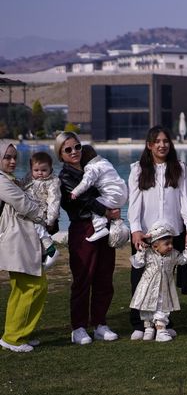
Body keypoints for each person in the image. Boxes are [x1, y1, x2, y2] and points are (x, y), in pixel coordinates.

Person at [127, 126, 187, 339]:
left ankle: (163, 321)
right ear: (149, 145)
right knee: (140, 278)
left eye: (165, 141)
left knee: (166, 278)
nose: (162, 145)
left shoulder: (180, 168)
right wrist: (135, 230)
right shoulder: (138, 169)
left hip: (172, 232)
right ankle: (140, 323)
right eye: (157, 141)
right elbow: (134, 203)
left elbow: (186, 200)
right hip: (146, 234)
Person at [56, 132, 121, 345]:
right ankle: (79, 327)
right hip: (83, 230)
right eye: (68, 149)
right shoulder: (64, 178)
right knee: (83, 279)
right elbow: (83, 200)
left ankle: (100, 323)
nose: (74, 152)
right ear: (60, 154)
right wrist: (107, 212)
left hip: (102, 228)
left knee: (104, 277)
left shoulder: (91, 168)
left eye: (77, 147)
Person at [0, 140, 49, 353]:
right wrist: (43, 215)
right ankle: (14, 337)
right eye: (7, 157)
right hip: (15, 240)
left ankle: (16, 334)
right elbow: (23, 203)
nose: (12, 161)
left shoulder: (9, 180)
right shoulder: (2, 181)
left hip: (19, 239)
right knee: (34, 286)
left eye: (14, 157)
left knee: (22, 288)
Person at [129, 221, 187, 342]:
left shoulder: (173, 254)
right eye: (167, 244)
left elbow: (182, 260)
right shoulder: (148, 254)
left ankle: (161, 329)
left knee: (162, 306)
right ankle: (148, 328)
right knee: (147, 307)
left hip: (164, 287)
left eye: (171, 243)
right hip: (148, 287)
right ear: (155, 246)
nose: (170, 246)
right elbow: (138, 264)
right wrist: (140, 252)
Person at [70, 145, 130, 243]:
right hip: (123, 194)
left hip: (112, 196)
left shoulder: (91, 167)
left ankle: (100, 227)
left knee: (95, 204)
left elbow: (86, 182)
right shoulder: (105, 162)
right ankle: (117, 226)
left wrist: (75, 191)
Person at [22, 152, 61, 261]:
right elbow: (22, 187)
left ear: (50, 168)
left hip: (43, 212)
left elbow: (54, 200)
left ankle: (50, 248)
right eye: (36, 170)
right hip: (29, 209)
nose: (40, 173)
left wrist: (51, 219)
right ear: (31, 169)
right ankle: (44, 254)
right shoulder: (29, 177)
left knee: (37, 226)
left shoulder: (53, 182)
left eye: (44, 170)